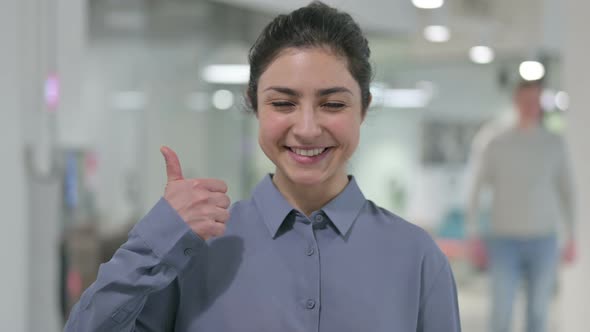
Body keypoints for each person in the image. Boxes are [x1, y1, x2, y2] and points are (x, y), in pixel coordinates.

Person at [64, 2, 461, 331]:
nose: (306, 129)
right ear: (254, 105)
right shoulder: (191, 248)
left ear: (365, 108)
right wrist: (155, 237)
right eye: (283, 103)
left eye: (333, 104)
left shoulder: (418, 258)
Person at [467, 80, 576, 332]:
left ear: (541, 103)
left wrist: (572, 236)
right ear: (516, 101)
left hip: (544, 240)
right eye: (525, 100)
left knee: (539, 313)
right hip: (504, 240)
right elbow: (475, 188)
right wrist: (473, 233)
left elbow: (568, 193)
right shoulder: (494, 140)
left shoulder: (553, 143)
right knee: (501, 313)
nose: (530, 106)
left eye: (535, 101)